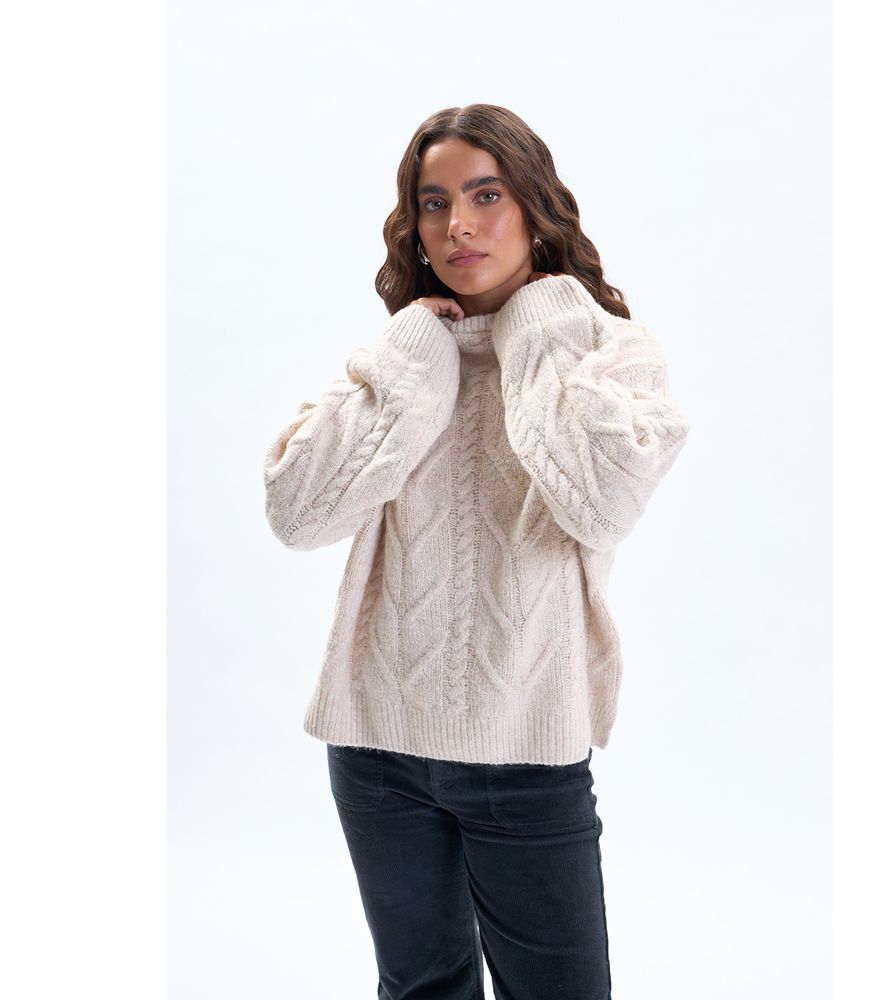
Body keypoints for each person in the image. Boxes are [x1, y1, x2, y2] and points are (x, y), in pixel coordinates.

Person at [263, 104, 691, 1000]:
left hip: (527, 756)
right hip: (375, 751)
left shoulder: (608, 353)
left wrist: (536, 325)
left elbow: (599, 502)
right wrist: (415, 351)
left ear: (536, 208)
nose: (458, 223)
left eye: (486, 195)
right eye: (435, 202)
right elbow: (297, 514)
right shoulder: (402, 361)